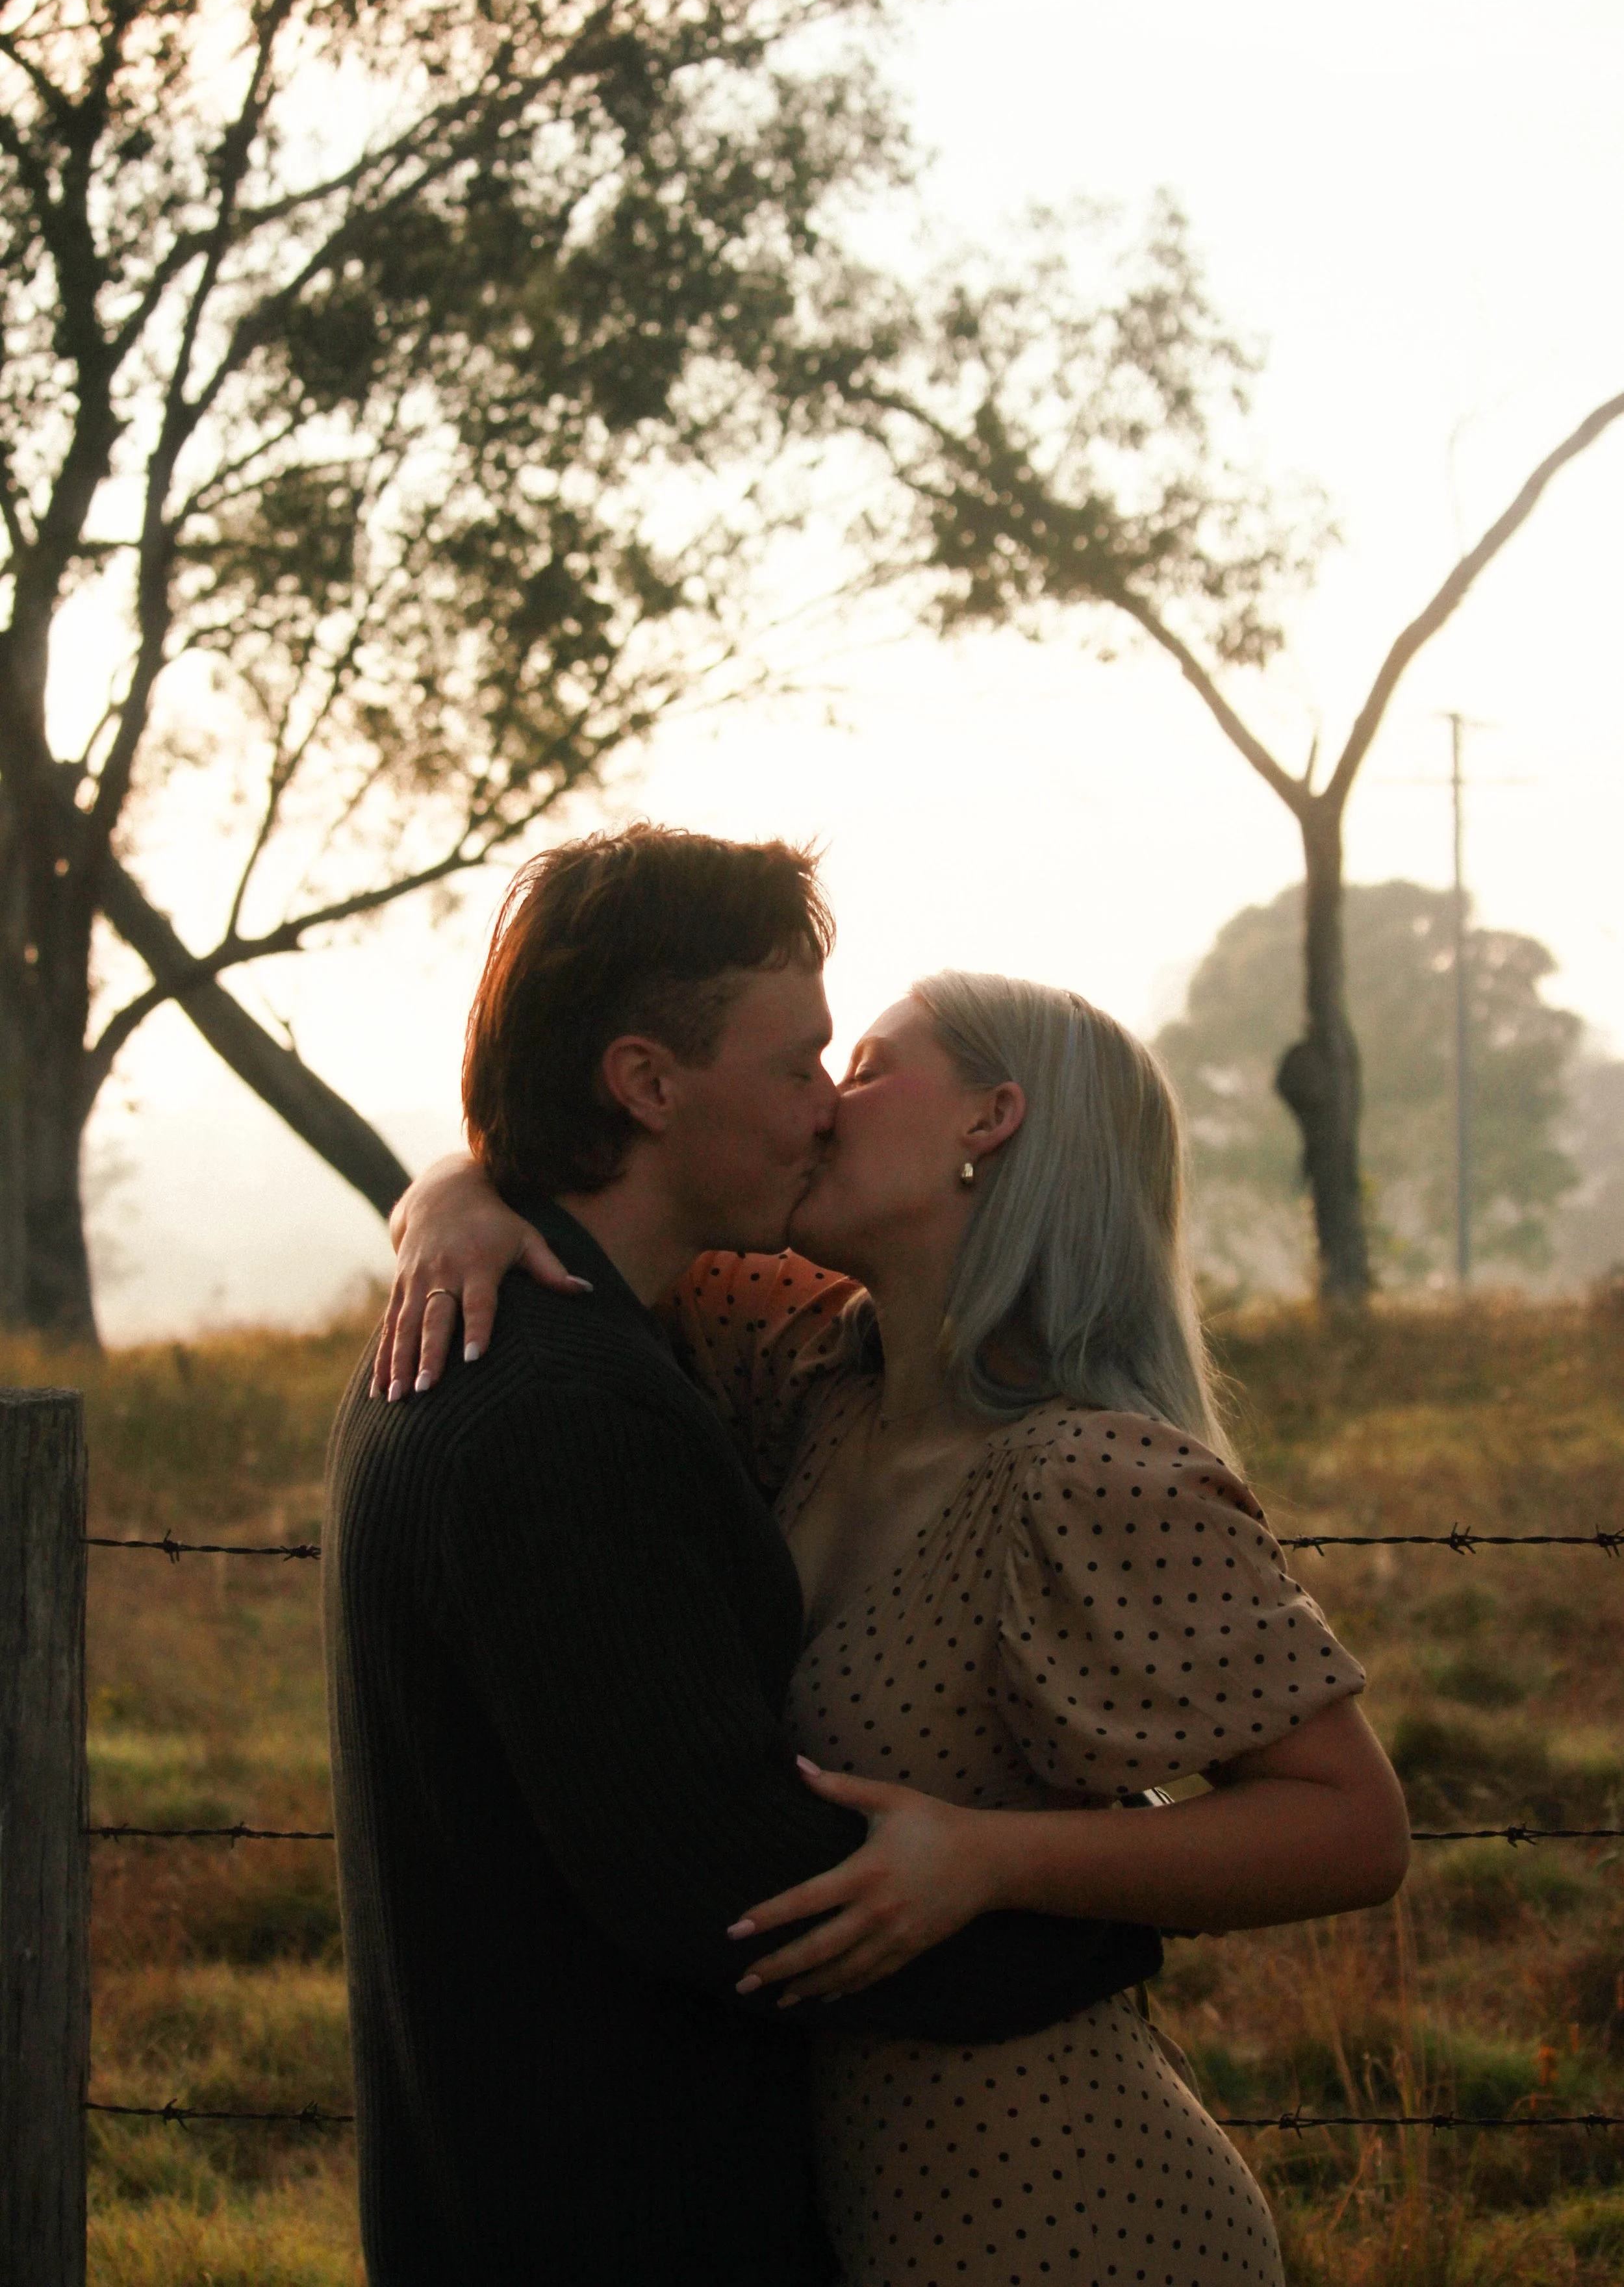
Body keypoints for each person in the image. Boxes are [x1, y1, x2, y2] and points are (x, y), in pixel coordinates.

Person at [385, 948, 1412, 2287]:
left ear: (990, 1121)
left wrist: (987, 1859)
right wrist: (448, 1196)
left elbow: (1351, 1828)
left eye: (861, 1071)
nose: (818, 1104)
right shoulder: (813, 1370)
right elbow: (604, 1205)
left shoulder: (1090, 1470)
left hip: (1065, 2216)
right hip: (841, 2214)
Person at [325, 828, 1163, 2287]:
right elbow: (734, 1895)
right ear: (646, 1084)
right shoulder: (561, 1409)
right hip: (613, 2218)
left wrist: (463, 1187)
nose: (824, 1111)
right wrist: (1101, 1930)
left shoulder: (561, 1329)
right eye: (797, 1066)